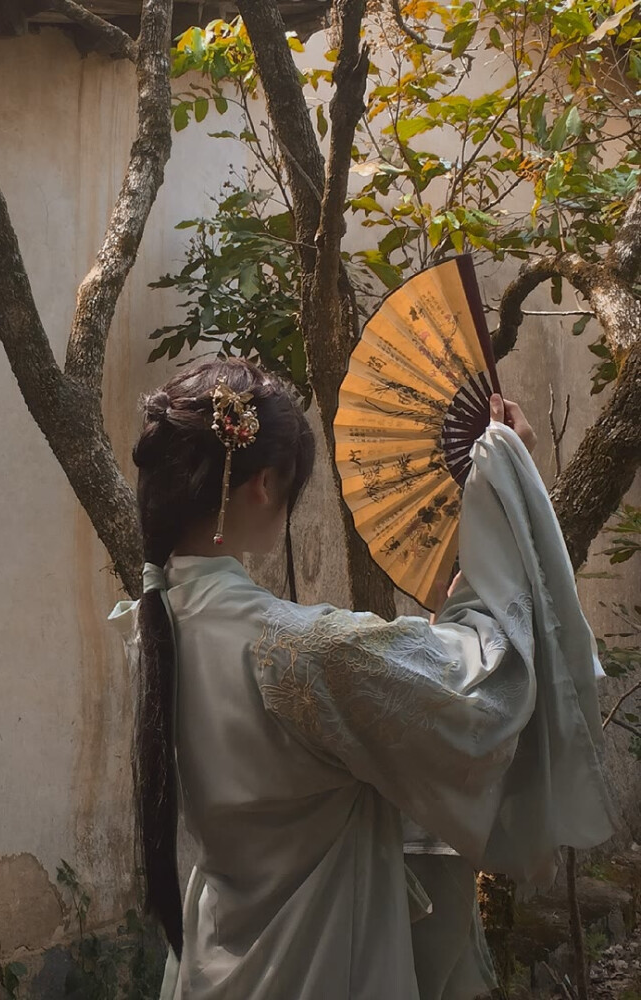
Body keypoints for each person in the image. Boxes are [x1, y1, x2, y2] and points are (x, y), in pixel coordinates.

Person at [109, 358, 614, 1000]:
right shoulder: (298, 651)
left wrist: (450, 615)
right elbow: (483, 695)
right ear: (264, 484)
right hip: (316, 968)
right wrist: (505, 482)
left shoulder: (155, 629)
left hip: (219, 962)